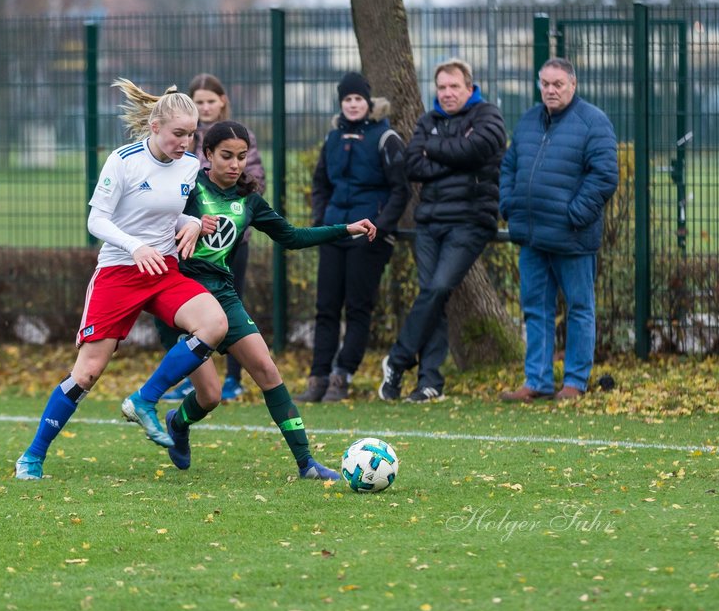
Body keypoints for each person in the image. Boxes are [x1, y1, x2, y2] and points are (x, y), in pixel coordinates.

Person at [14, 80, 228, 481]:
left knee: (215, 324)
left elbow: (167, 215)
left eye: (191, 134)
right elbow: (97, 219)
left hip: (163, 270)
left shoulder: (188, 166)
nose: (186, 142)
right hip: (119, 270)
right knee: (88, 373)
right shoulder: (124, 160)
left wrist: (194, 223)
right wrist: (134, 248)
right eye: (178, 133)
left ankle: (145, 400)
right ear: (155, 127)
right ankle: (32, 456)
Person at [157, 120, 377, 480]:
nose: (235, 164)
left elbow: (291, 236)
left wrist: (346, 228)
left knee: (265, 370)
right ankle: (170, 417)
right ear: (207, 155)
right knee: (210, 395)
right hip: (183, 294)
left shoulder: (249, 201)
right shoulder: (188, 187)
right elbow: (153, 220)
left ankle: (306, 463)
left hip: (223, 294)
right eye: (226, 156)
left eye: (242, 157)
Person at [379, 58, 506, 402]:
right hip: (430, 223)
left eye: (454, 87)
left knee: (437, 289)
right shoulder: (428, 120)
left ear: (469, 87)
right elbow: (412, 164)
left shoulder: (488, 116)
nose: (447, 94)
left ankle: (398, 359)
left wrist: (434, 150)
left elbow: (477, 150)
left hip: (470, 222)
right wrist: (456, 160)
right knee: (432, 295)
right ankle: (429, 381)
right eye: (441, 87)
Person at [498, 57, 618, 402]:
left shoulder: (594, 122)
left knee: (580, 309)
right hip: (532, 238)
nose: (551, 90)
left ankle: (575, 383)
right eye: (545, 84)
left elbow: (605, 175)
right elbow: (509, 166)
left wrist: (574, 214)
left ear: (573, 85)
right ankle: (536, 380)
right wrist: (509, 205)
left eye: (558, 84)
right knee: (536, 310)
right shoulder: (528, 121)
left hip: (573, 237)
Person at [295, 71, 409, 403]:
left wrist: (380, 228)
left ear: (368, 101)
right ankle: (318, 376)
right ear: (341, 103)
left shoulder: (386, 138)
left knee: (358, 308)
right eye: (347, 99)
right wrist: (321, 220)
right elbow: (321, 184)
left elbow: (399, 191)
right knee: (326, 307)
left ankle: (342, 375)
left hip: (368, 238)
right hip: (334, 233)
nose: (353, 104)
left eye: (358, 98)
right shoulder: (332, 138)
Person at [163, 73, 265, 403]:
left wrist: (230, 220)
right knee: (186, 309)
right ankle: (195, 377)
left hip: (233, 242)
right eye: (199, 102)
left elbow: (254, 182)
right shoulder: (185, 138)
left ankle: (235, 378)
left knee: (232, 305)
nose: (206, 107)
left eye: (211, 101)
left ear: (222, 101)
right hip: (190, 241)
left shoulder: (240, 136)